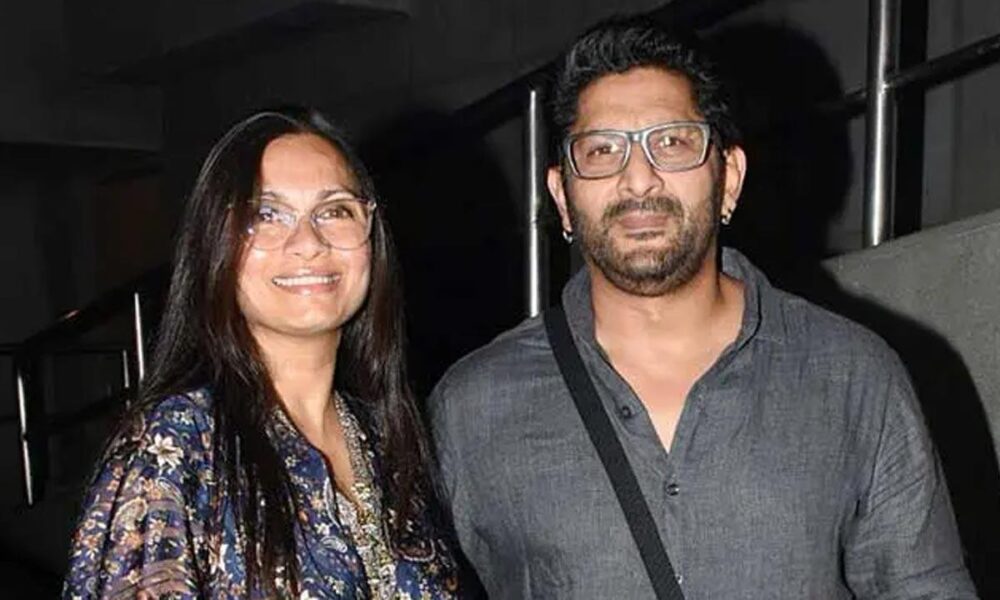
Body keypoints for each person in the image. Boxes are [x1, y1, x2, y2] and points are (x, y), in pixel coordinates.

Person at [428, 17, 977, 599]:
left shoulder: (852, 376)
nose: (638, 180)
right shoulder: (473, 408)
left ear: (729, 178)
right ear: (562, 195)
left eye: (672, 143)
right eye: (602, 150)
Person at [64, 108, 459, 598]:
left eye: (335, 210)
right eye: (266, 216)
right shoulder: (175, 446)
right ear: (217, 245)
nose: (309, 243)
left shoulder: (387, 436)